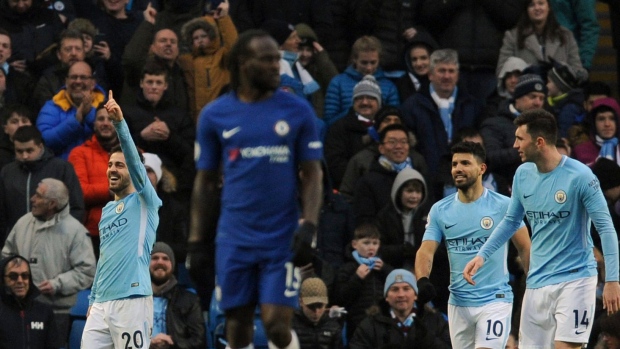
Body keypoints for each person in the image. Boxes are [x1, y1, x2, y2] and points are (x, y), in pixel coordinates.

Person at [188, 30, 323, 349]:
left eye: (278, 59)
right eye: (268, 60)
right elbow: (205, 181)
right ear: (244, 64)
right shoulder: (214, 114)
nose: (278, 66)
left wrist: (310, 224)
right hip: (234, 236)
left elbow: (312, 174)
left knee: (276, 324)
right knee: (236, 324)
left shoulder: (297, 110)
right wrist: (195, 241)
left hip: (281, 237)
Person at [464, 109, 620, 348]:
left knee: (566, 346)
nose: (514, 144)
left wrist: (612, 280)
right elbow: (511, 221)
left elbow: (607, 229)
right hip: (537, 280)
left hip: (575, 279)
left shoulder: (580, 177)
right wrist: (482, 255)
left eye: (519, 138)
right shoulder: (523, 174)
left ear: (539, 142)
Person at [415, 141, 531, 348]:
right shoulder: (440, 210)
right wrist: (422, 279)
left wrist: (534, 286)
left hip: (495, 299)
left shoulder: (503, 205)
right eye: (454, 164)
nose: (458, 168)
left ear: (482, 169)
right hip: (458, 303)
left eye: (465, 163)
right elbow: (426, 250)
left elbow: (525, 247)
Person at [81, 91, 162, 349]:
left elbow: (138, 169)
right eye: (110, 165)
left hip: (132, 299)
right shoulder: (106, 211)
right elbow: (105, 258)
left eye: (120, 165)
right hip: (101, 303)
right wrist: (93, 299)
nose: (112, 169)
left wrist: (119, 124)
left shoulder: (145, 201)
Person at [2, 178, 96, 345]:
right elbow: (6, 256)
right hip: (18, 308)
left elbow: (87, 271)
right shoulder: (23, 222)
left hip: (57, 312)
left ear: (52, 203)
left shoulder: (76, 232)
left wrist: (57, 284)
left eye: (38, 196)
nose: (32, 199)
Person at [401, 48, 484, 200]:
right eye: (442, 71)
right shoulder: (412, 106)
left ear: (457, 75)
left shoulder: (473, 106)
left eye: (451, 71)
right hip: (426, 181)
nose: (447, 76)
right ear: (430, 74)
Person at [0, 125, 85, 245]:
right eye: (19, 151)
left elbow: (76, 207)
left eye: (29, 150)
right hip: (17, 242)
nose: (24, 156)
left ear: (40, 147)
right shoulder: (7, 172)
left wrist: (65, 237)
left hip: (55, 242)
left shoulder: (61, 168)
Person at [348, 268, 451, 348]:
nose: (401, 294)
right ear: (386, 296)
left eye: (406, 289)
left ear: (415, 294)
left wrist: (428, 341)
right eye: (395, 289)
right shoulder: (369, 325)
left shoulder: (435, 321)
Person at [68, 104, 119, 258]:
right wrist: (113, 190)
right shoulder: (79, 154)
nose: (105, 123)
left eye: (110, 119)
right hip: (93, 232)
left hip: (128, 230)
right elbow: (80, 191)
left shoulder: (133, 152)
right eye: (101, 119)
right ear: (94, 124)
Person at [481, 73, 548, 182]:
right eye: (532, 97)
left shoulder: (547, 125)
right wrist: (526, 149)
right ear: (518, 98)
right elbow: (490, 157)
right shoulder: (494, 124)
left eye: (541, 98)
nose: (538, 103)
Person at [178, 0, 237, 123]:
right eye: (195, 38)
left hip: (222, 115)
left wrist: (224, 19)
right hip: (197, 119)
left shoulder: (222, 56)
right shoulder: (188, 60)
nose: (200, 40)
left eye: (204, 36)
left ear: (212, 36)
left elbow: (234, 46)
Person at [496, 0, 586, 80]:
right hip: (525, 95)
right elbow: (502, 71)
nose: (537, 8)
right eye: (531, 5)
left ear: (549, 7)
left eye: (541, 3)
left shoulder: (566, 36)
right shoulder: (512, 36)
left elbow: (577, 70)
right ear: (526, 10)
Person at [334, 223, 393, 342]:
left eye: (375, 243)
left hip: (383, 323)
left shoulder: (382, 268)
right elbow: (340, 297)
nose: (371, 247)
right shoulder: (348, 268)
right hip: (356, 324)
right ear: (355, 244)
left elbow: (397, 287)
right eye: (366, 243)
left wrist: (386, 270)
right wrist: (357, 278)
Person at [36, 60, 107, 160]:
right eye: (73, 77)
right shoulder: (52, 106)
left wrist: (89, 114)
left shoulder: (106, 106)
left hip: (98, 168)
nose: (78, 81)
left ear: (93, 83)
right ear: (66, 81)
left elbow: (115, 137)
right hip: (61, 169)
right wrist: (76, 120)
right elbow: (43, 141)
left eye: (83, 77)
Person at [323, 36, 400, 127]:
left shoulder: (389, 86)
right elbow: (329, 121)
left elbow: (394, 120)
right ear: (354, 59)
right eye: (364, 62)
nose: (369, 68)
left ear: (379, 60)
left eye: (373, 62)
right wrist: (356, 112)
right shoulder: (338, 83)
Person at [149, 241, 205, 349]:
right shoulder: (134, 300)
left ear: (173, 265)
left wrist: (172, 342)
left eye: (165, 258)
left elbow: (200, 341)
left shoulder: (189, 300)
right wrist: (147, 343)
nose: (160, 262)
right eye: (155, 258)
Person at [0, 255, 62, 349]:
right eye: (13, 276)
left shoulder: (44, 312)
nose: (20, 281)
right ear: (3, 280)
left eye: (25, 276)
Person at [292, 277, 343, 349]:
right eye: (311, 306)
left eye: (320, 306)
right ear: (301, 302)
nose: (316, 311)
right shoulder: (290, 326)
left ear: (326, 303)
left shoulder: (333, 327)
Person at [573, 97, 620, 166]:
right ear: (593, 122)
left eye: (612, 118)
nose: (607, 124)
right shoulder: (580, 151)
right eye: (601, 119)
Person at [0, 104, 33, 169]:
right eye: (14, 122)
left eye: (24, 121)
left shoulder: (42, 151)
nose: (20, 125)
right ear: (5, 129)